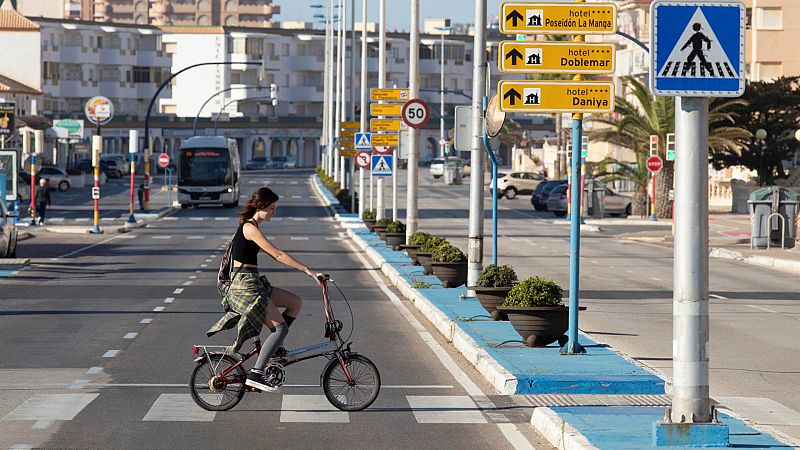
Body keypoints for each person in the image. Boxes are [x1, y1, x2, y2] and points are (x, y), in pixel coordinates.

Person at [207, 187, 322, 393]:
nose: (273, 213)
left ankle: (274, 349)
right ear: (260, 206)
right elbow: (277, 255)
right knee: (280, 328)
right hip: (246, 286)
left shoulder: (252, 226)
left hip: (254, 282)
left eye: (275, 208)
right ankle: (256, 373)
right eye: (271, 208)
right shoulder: (250, 228)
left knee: (295, 302)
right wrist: (307, 269)